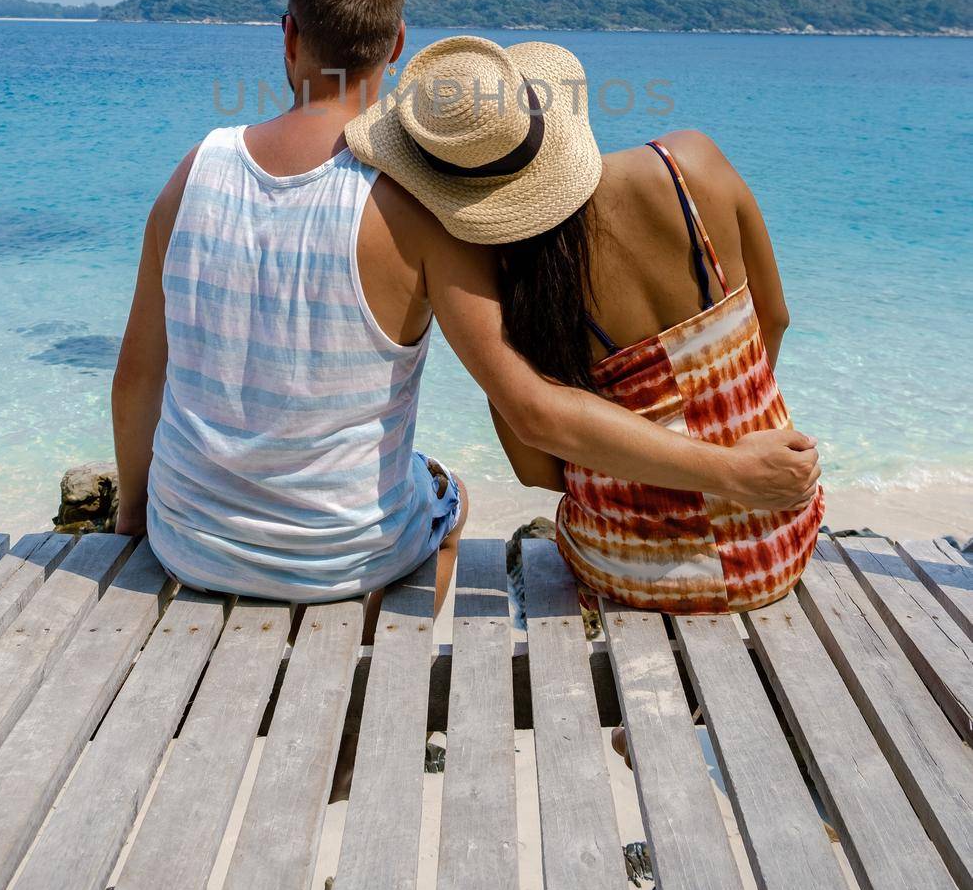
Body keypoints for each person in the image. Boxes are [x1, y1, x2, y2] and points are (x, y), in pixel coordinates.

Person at [113, 0, 819, 624]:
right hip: (346, 561)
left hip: (189, 548)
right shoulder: (415, 210)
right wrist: (729, 468)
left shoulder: (192, 170)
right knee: (445, 491)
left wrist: (135, 516)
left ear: (289, 35)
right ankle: (395, 643)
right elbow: (533, 409)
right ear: (395, 46)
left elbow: (139, 376)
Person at [345, 32, 824, 615]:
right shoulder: (691, 163)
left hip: (625, 564)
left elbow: (538, 470)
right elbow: (774, 318)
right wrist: (721, 435)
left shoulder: (509, 281)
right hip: (778, 536)